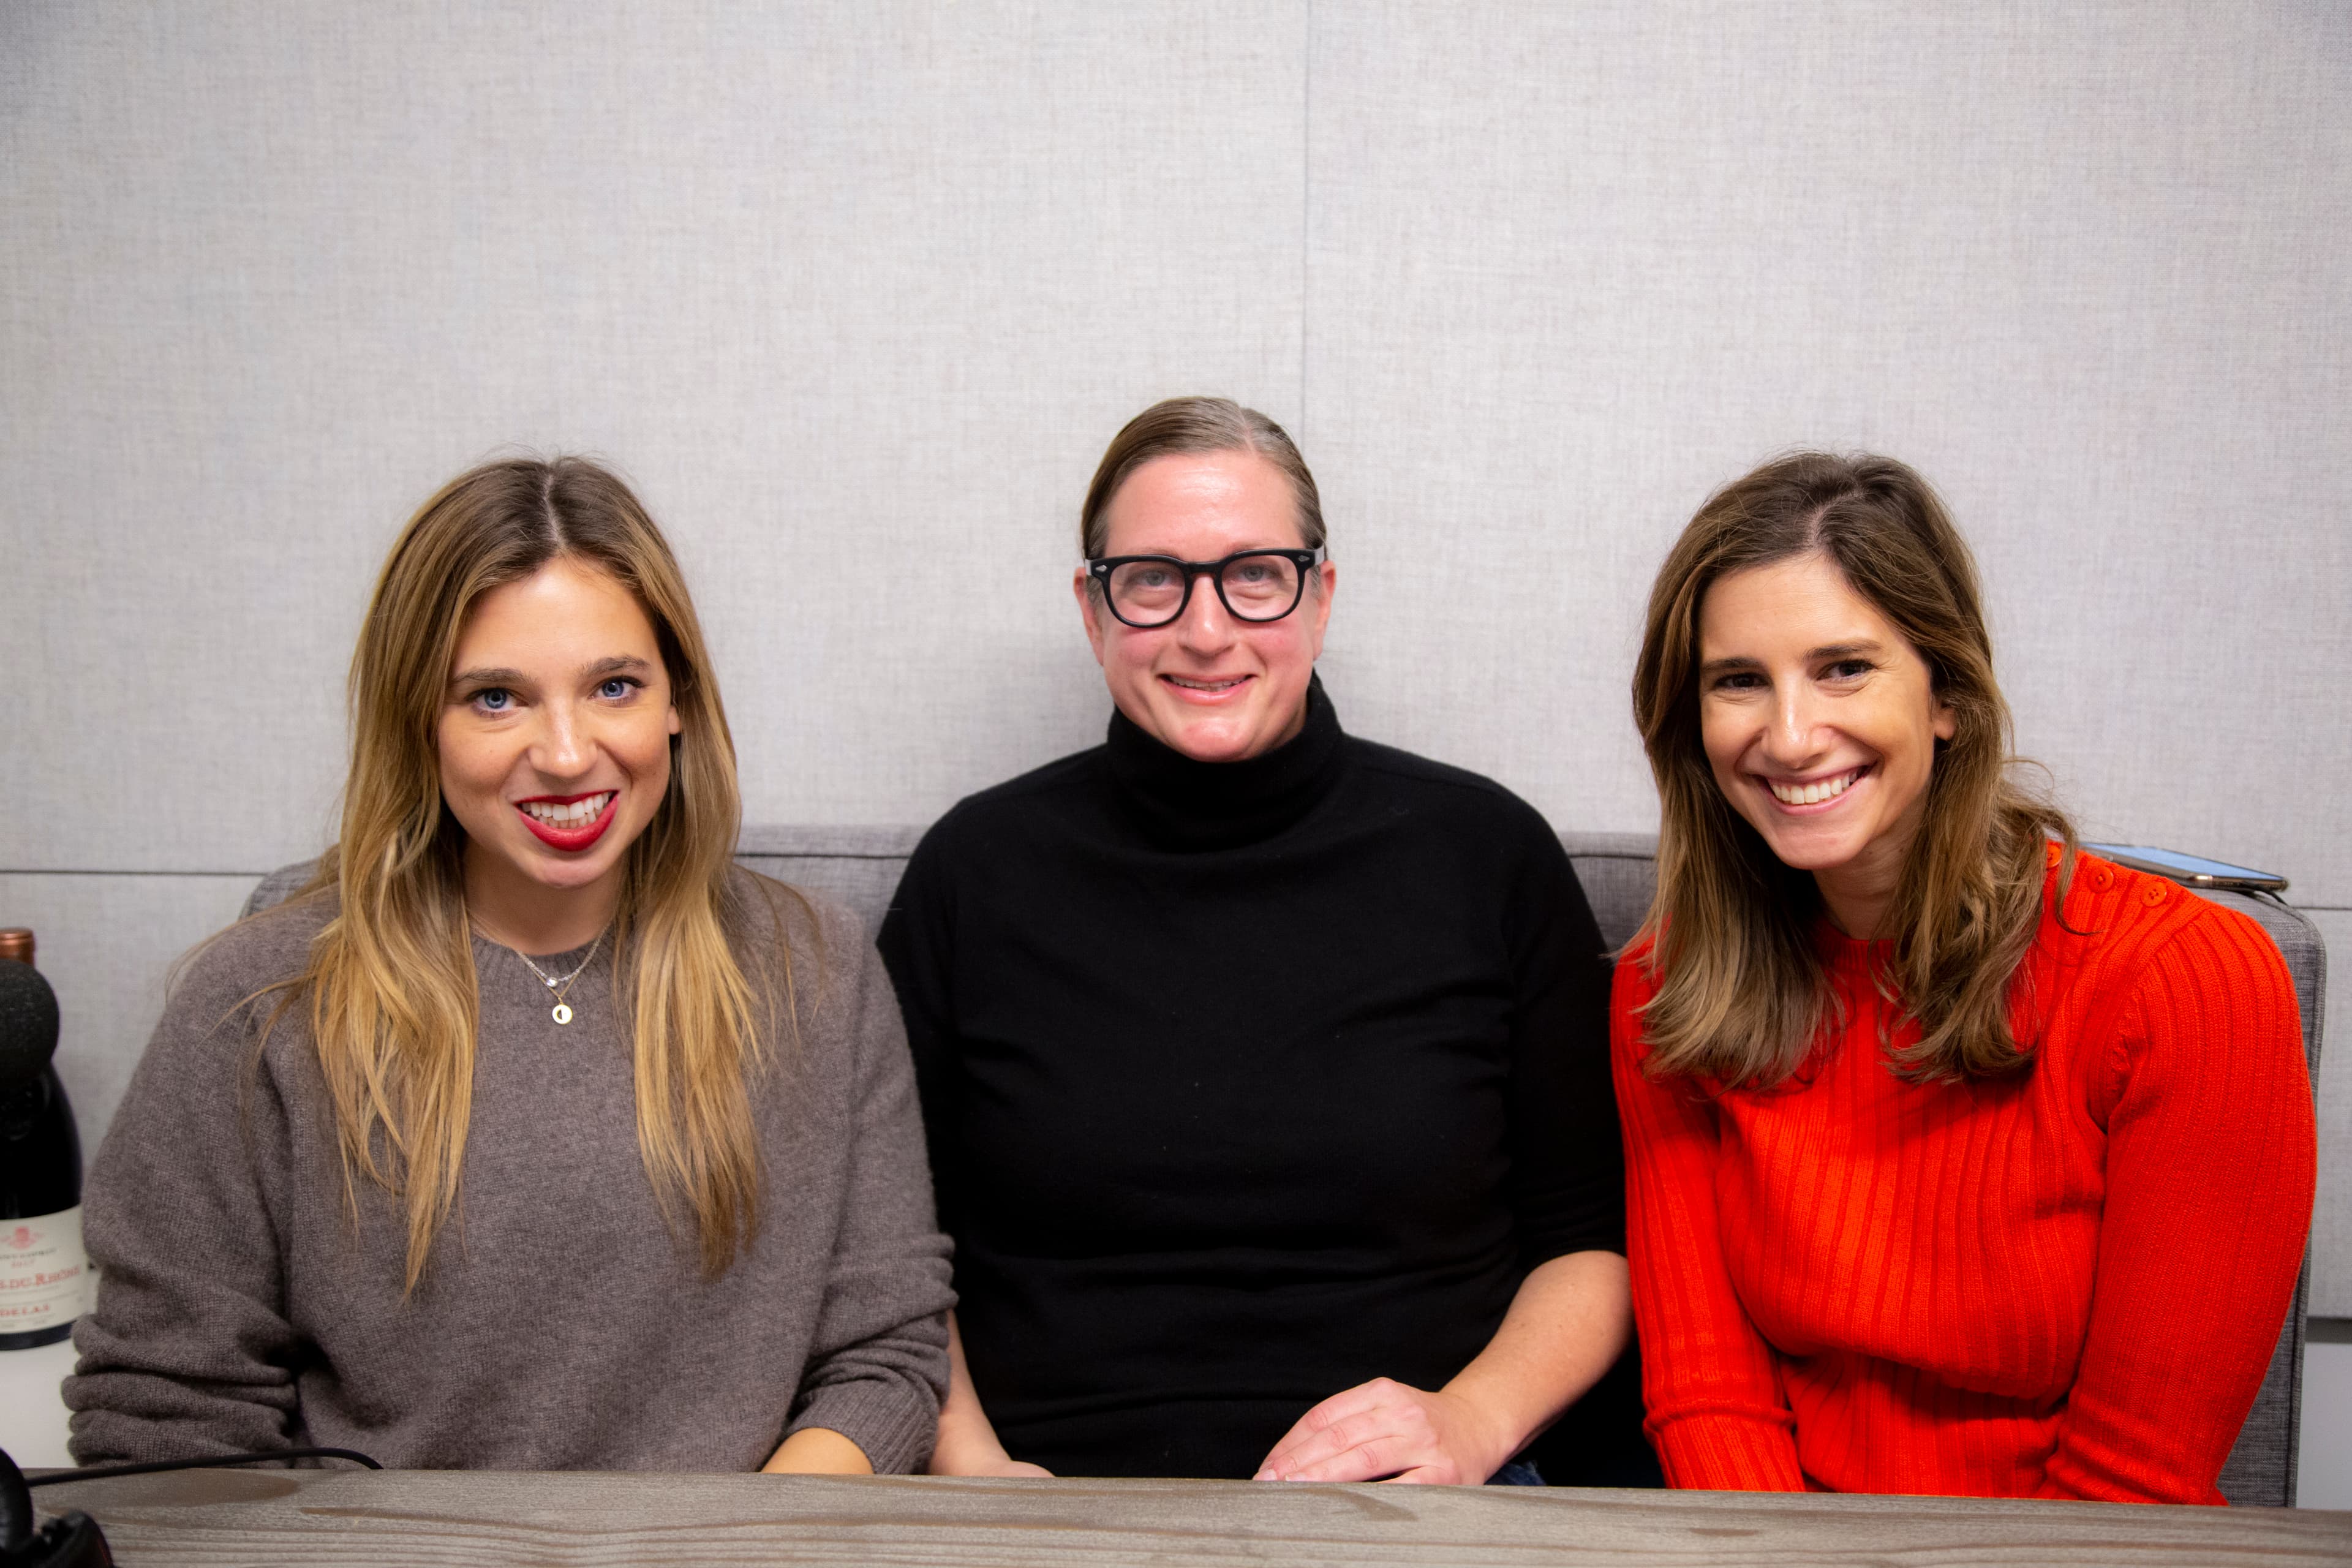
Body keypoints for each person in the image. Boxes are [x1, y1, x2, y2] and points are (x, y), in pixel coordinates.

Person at [66, 457, 952, 1472]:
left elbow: (884, 1358)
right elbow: (166, 1414)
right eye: (496, 698)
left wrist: (744, 1542)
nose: (567, 755)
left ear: (677, 701)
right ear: (418, 723)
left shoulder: (816, 968)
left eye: (614, 687)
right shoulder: (257, 1005)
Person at [880, 396, 1646, 1485]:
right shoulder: (975, 873)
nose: (1206, 629)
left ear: (1320, 596)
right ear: (1093, 610)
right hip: (1051, 1498)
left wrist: (1471, 1423)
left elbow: (1592, 1239)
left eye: (1255, 574)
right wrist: (977, 1473)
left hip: (1422, 1505)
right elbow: (889, 1251)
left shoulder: (1486, 856)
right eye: (1153, 579)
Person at [1611, 451, 2314, 1502]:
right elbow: (1708, 1395)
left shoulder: (2188, 980)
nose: (1791, 737)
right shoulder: (1668, 988)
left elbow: (2137, 1477)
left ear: (1946, 695)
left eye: (1844, 668)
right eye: (1739, 681)